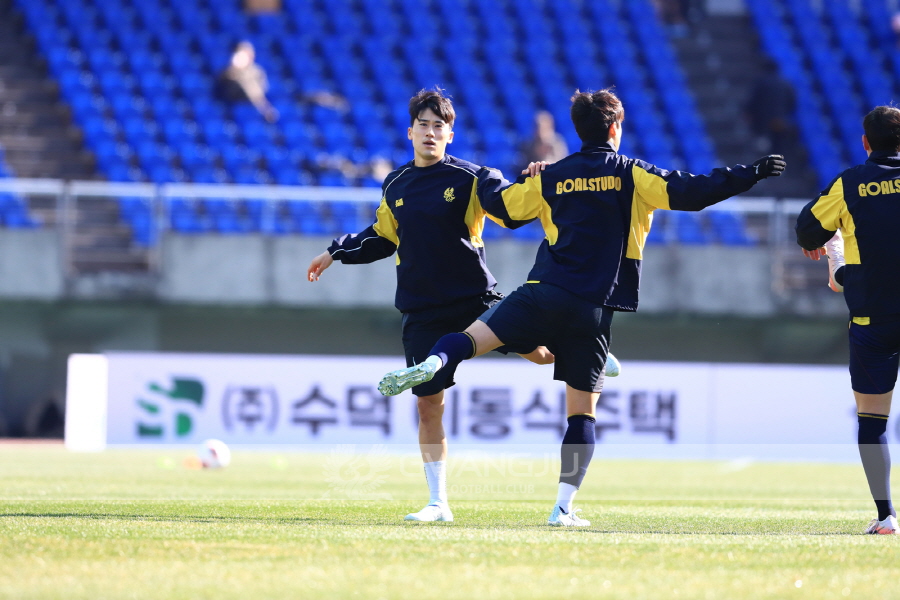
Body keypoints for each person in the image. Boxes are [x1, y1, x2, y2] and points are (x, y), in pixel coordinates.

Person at [379, 88, 786, 527]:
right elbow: (693, 192)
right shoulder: (632, 173)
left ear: (577, 130)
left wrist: (526, 176)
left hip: (540, 292)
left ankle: (436, 361)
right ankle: (563, 509)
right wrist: (751, 173)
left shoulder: (554, 175)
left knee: (468, 338)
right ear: (615, 128)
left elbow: (506, 209)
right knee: (581, 414)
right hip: (592, 307)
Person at [307, 89, 621, 523]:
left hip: (476, 299)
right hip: (422, 308)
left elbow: (511, 211)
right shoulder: (395, 184)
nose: (430, 133)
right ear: (410, 132)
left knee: (540, 355)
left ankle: (587, 351)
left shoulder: (473, 177)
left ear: (450, 135)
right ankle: (438, 503)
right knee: (428, 404)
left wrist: (541, 179)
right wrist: (336, 251)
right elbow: (381, 235)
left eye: (439, 126)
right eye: (423, 125)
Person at [796, 105, 900, 535]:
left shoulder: (851, 182)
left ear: (865, 143)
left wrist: (826, 245)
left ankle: (887, 516)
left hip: (873, 318)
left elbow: (807, 230)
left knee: (872, 421)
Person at [216, 41, 278, 123]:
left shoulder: (257, 71)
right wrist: (234, 69)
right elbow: (222, 83)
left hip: (253, 100)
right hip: (233, 98)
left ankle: (264, 109)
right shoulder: (229, 70)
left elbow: (263, 88)